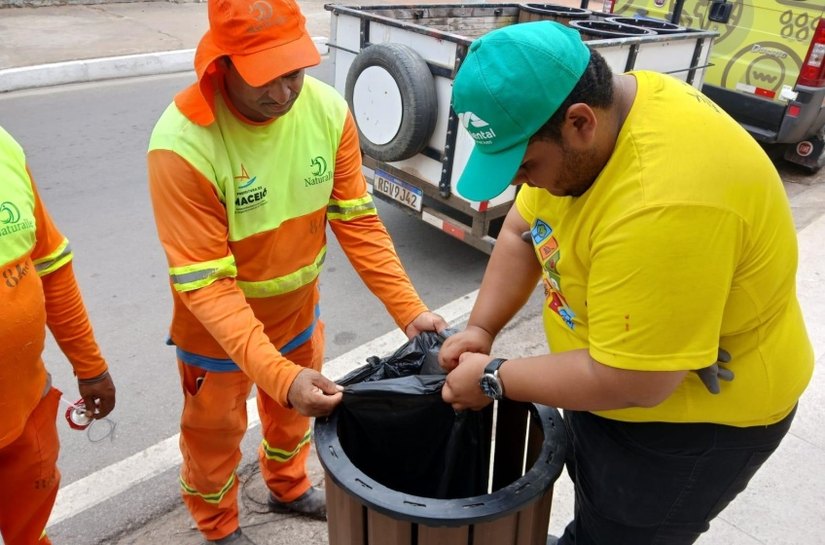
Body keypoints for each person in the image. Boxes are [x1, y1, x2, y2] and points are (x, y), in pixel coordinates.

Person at [439, 21, 814, 545]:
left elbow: (635, 381)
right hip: (610, 380)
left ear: (579, 122)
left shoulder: (663, 202)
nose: (521, 183)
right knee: (599, 511)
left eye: (525, 166)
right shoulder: (617, 106)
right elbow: (524, 229)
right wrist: (481, 327)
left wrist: (493, 377)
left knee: (627, 532)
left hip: (692, 428)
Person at [146, 0, 447, 543]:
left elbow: (357, 221)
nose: (285, 93)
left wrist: (410, 310)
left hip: (297, 317)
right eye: (268, 77)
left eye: (296, 72)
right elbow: (208, 285)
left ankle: (286, 488)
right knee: (215, 434)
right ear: (223, 64)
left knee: (290, 420)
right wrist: (279, 377)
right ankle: (218, 525)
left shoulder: (328, 112)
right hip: (215, 335)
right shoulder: (182, 145)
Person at [0, 126, 117, 545]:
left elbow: (51, 265)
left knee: (29, 527)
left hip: (26, 412)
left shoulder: (4, 146)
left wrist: (90, 367)